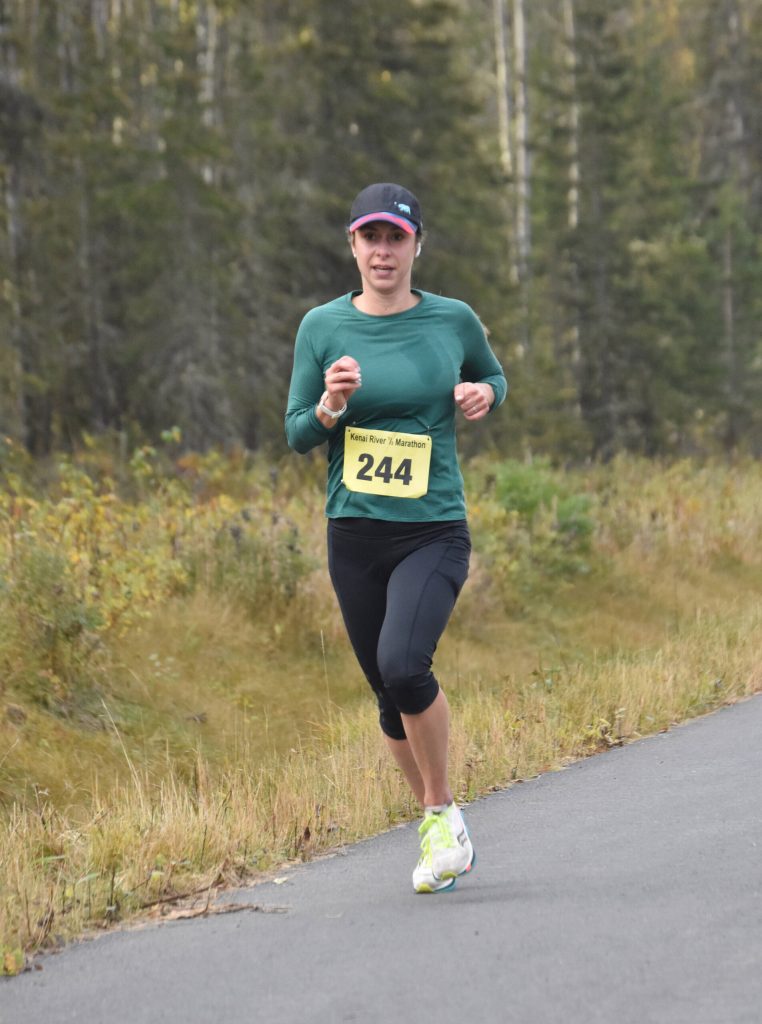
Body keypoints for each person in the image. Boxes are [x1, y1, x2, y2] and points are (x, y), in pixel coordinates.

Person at [285, 183, 507, 893]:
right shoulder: (322, 326)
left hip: (432, 529)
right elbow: (296, 431)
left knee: (406, 665)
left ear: (417, 246)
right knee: (388, 693)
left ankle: (441, 812)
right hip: (353, 536)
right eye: (370, 238)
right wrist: (331, 404)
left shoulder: (452, 319)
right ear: (352, 245)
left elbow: (492, 374)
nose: (383, 252)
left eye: (396, 238)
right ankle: (440, 826)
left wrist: (485, 393)